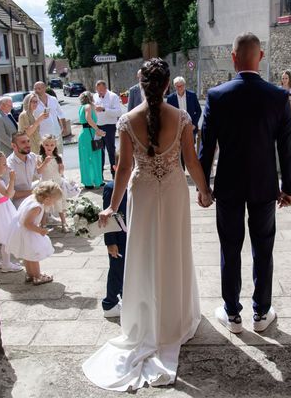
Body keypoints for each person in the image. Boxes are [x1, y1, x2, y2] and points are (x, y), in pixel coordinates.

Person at [82, 58, 213, 391]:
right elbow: (191, 160)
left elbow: (123, 169)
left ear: (141, 84)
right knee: (174, 251)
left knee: (144, 255)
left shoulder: (127, 120)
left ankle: (145, 319)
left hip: (142, 193)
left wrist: (112, 207)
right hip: (172, 192)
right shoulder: (181, 117)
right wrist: (204, 190)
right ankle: (173, 318)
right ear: (168, 85)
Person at [199, 32, 291, 335]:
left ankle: (233, 315)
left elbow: (207, 146)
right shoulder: (279, 97)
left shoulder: (217, 96)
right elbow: (286, 147)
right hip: (265, 186)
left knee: (230, 248)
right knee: (263, 249)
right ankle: (261, 313)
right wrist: (288, 187)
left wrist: (204, 188)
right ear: (261, 57)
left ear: (233, 58)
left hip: (227, 185)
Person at [7, 181, 61, 286]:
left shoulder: (32, 197)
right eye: (54, 201)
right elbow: (27, 223)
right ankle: (37, 276)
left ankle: (30, 274)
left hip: (22, 230)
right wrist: (40, 230)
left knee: (27, 254)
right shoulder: (37, 207)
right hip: (28, 231)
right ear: (47, 199)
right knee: (34, 255)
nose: (53, 204)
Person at [100, 155, 127, 318]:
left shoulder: (135, 186)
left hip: (132, 235)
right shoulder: (111, 187)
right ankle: (109, 304)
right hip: (117, 238)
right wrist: (110, 242)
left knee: (127, 269)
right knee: (117, 270)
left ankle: (125, 297)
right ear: (115, 167)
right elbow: (107, 218)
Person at [167, 76, 202, 168]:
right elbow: (168, 115)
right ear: (175, 87)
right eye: (177, 86)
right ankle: (182, 169)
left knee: (190, 149)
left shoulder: (192, 95)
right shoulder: (171, 98)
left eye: (181, 85)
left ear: (184, 85)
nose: (180, 88)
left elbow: (198, 111)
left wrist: (194, 124)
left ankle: (191, 167)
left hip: (190, 127)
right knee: (179, 149)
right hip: (177, 128)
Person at [37, 135, 69, 232]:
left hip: (56, 184)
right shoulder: (40, 158)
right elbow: (39, 171)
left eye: (51, 145)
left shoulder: (58, 157)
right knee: (45, 206)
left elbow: (60, 172)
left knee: (59, 205)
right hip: (46, 186)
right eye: (47, 145)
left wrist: (61, 167)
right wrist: (45, 162)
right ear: (43, 145)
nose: (49, 147)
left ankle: (64, 223)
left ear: (55, 146)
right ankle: (43, 225)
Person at [93, 80, 122, 178]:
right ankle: (99, 175)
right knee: (99, 150)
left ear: (105, 88)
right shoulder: (94, 96)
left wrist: (105, 109)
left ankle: (114, 174)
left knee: (111, 150)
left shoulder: (113, 96)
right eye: (97, 90)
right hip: (98, 127)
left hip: (109, 126)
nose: (99, 92)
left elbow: (118, 112)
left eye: (101, 90)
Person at [78, 91, 106, 188]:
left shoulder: (81, 107)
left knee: (86, 158)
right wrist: (97, 130)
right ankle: (97, 180)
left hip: (84, 134)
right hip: (90, 134)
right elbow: (88, 119)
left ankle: (88, 182)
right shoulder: (88, 107)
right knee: (95, 156)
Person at [6, 131, 39, 208]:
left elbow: (39, 174)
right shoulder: (9, 165)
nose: (28, 145)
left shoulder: (33, 157)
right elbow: (10, 194)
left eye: (28, 141)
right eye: (23, 142)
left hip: (30, 192)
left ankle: (48, 216)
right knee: (37, 204)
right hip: (17, 202)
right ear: (14, 146)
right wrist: (33, 192)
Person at [33, 81, 65, 152]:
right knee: (45, 158)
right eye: (35, 89)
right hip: (42, 136)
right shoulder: (33, 102)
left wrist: (63, 127)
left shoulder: (53, 99)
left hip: (56, 133)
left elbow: (60, 114)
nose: (36, 91)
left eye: (39, 88)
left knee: (59, 156)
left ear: (44, 88)